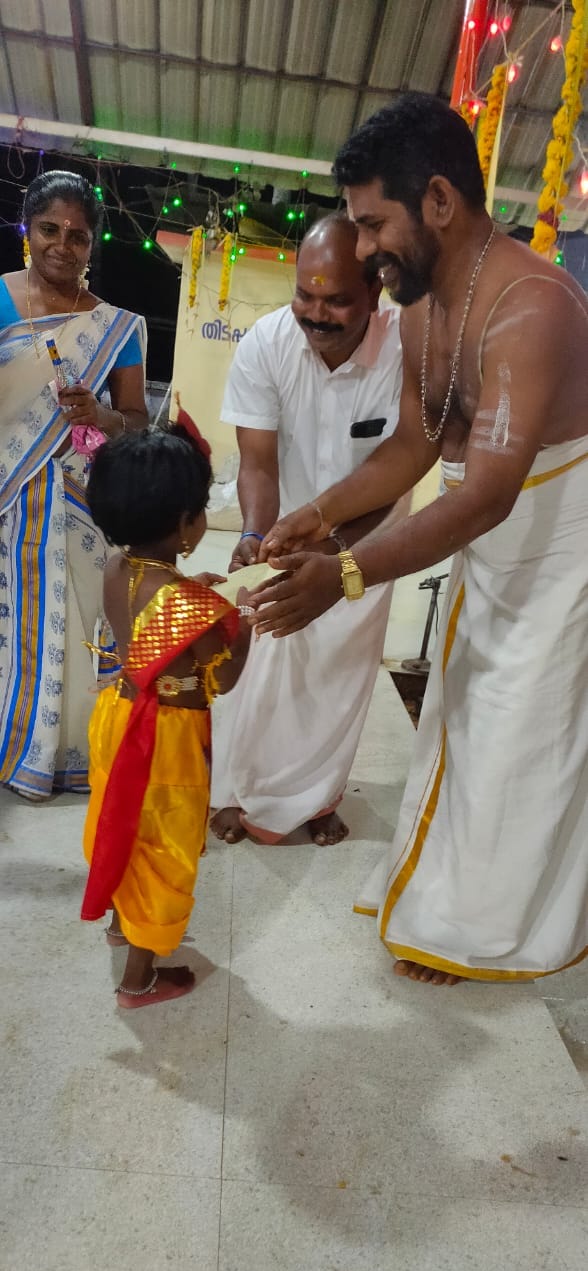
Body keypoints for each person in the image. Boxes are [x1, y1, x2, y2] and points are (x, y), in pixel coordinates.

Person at [250, 92, 588, 985]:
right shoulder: (427, 308)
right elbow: (415, 444)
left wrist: (347, 574)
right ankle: (446, 884)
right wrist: (317, 515)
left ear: (439, 199)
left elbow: (483, 495)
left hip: (559, 540)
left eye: (372, 225)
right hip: (492, 536)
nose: (362, 251)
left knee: (524, 722)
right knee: (464, 705)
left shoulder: (533, 306)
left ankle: (485, 927)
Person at [210, 213, 404, 846]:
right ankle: (239, 791)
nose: (316, 314)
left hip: (369, 542)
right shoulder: (266, 344)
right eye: (305, 295)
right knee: (260, 657)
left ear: (375, 290)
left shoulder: (406, 352)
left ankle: (317, 799)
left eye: (337, 300)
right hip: (285, 534)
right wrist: (257, 534)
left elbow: (397, 473)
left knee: (336, 674)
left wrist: (334, 546)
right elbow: (258, 461)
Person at [81, 424, 252, 1008]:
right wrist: (242, 627)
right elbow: (223, 681)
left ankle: (117, 919)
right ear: (185, 525)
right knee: (163, 845)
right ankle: (138, 978)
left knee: (122, 821)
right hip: (166, 742)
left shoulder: (113, 565)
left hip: (118, 717)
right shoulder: (199, 608)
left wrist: (189, 595)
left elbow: (153, 614)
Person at [0, 170, 148, 800]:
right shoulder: (1, 298)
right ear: (26, 232)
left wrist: (100, 416)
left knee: (78, 624)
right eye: (49, 230)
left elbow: (137, 421)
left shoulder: (118, 326)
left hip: (80, 501)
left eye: (78, 236)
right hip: (9, 491)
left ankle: (67, 756)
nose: (63, 245)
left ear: (93, 246)